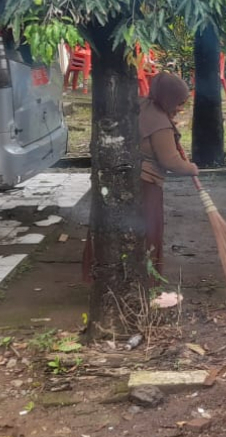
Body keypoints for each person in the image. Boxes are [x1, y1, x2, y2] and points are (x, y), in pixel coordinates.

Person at [81, 71, 198, 282]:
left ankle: (99, 277)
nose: (180, 109)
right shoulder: (160, 124)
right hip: (144, 184)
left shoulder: (142, 105)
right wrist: (191, 168)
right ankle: (147, 280)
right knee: (148, 231)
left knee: (111, 229)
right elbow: (170, 161)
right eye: (178, 103)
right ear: (167, 98)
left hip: (121, 178)